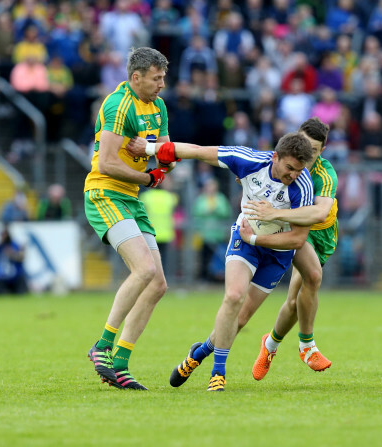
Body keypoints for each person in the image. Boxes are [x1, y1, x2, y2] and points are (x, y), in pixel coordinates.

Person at [126, 132, 314, 391]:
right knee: (233, 297)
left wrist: (258, 238)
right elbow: (197, 150)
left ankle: (199, 353)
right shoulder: (248, 160)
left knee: (241, 318)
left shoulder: (302, 185)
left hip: (276, 252)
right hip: (245, 240)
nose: (293, 174)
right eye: (290, 167)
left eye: (299, 170)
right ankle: (218, 373)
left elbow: (297, 239)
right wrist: (149, 147)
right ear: (275, 157)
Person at [83, 47, 171, 391]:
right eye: (156, 78)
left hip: (132, 198)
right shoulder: (117, 104)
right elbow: (107, 163)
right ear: (136, 78)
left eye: (163, 77)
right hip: (105, 193)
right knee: (145, 270)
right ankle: (102, 346)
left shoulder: (158, 106)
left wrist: (153, 158)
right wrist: (151, 176)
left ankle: (119, 364)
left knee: (159, 284)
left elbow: (168, 156)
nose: (162, 84)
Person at [239, 117, 338, 379]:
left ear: (322, 151)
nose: (307, 153)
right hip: (295, 234)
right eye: (304, 145)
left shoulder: (325, 174)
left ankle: (269, 345)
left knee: (295, 302)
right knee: (312, 278)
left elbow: (320, 212)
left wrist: (275, 214)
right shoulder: (286, 165)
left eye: (314, 151)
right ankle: (307, 346)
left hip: (320, 235)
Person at [0, 226, 28, 295]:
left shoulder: (15, 245)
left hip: (16, 277)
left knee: (21, 293)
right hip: (2, 277)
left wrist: (12, 254)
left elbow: (21, 257)